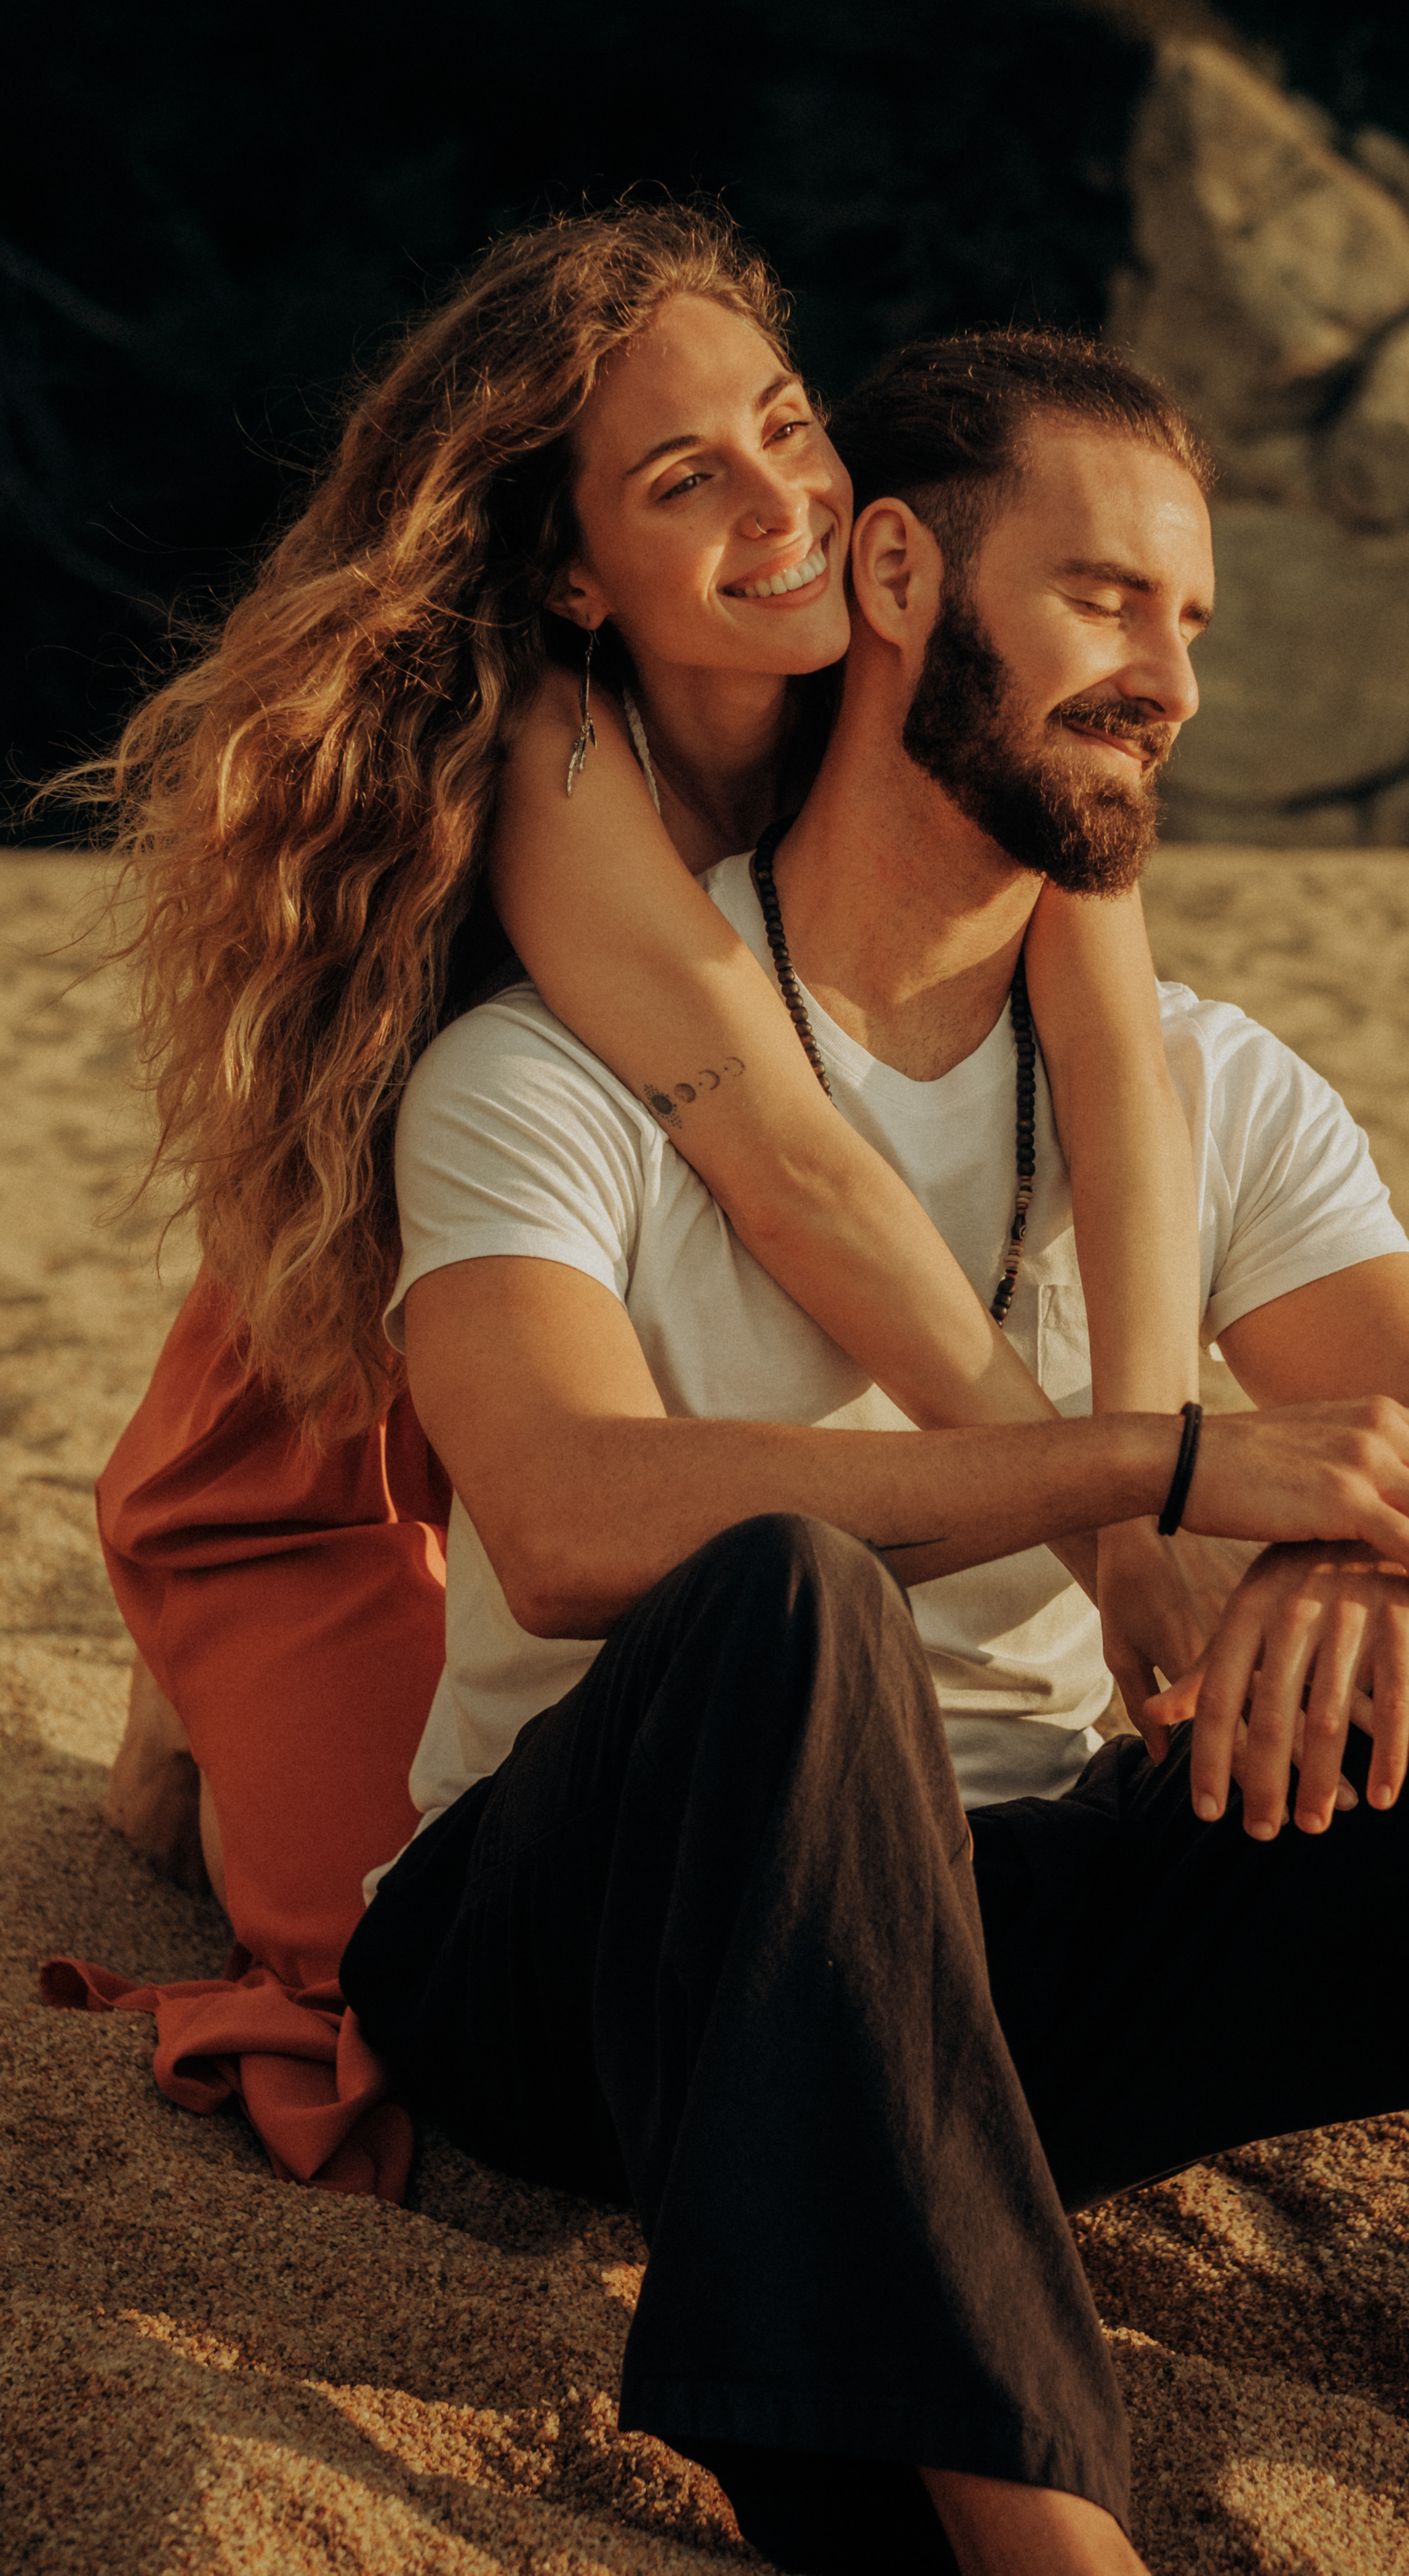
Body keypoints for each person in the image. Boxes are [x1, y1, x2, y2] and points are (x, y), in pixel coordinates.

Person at [338, 320, 1409, 2575]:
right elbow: (572, 1516)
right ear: (892, 577)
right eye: (1104, 598)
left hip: (1005, 1955)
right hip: (604, 1948)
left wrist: (1375, 1542)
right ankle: (1033, 2540)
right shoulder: (560, 1069)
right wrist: (1157, 1471)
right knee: (794, 1605)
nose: (1169, 675)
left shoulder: (1196, 1075)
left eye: (1192, 621)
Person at [45, 206, 1206, 2193]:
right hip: (347, 1383)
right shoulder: (559, 749)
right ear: (576, 571)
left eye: (787, 422)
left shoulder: (903, 653)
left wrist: (1158, 1466)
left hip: (609, 1315)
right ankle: (190, 1728)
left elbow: (1113, 1057)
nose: (788, 501)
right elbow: (797, 1171)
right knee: (343, 1935)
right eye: (689, 480)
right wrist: (1120, 1523)